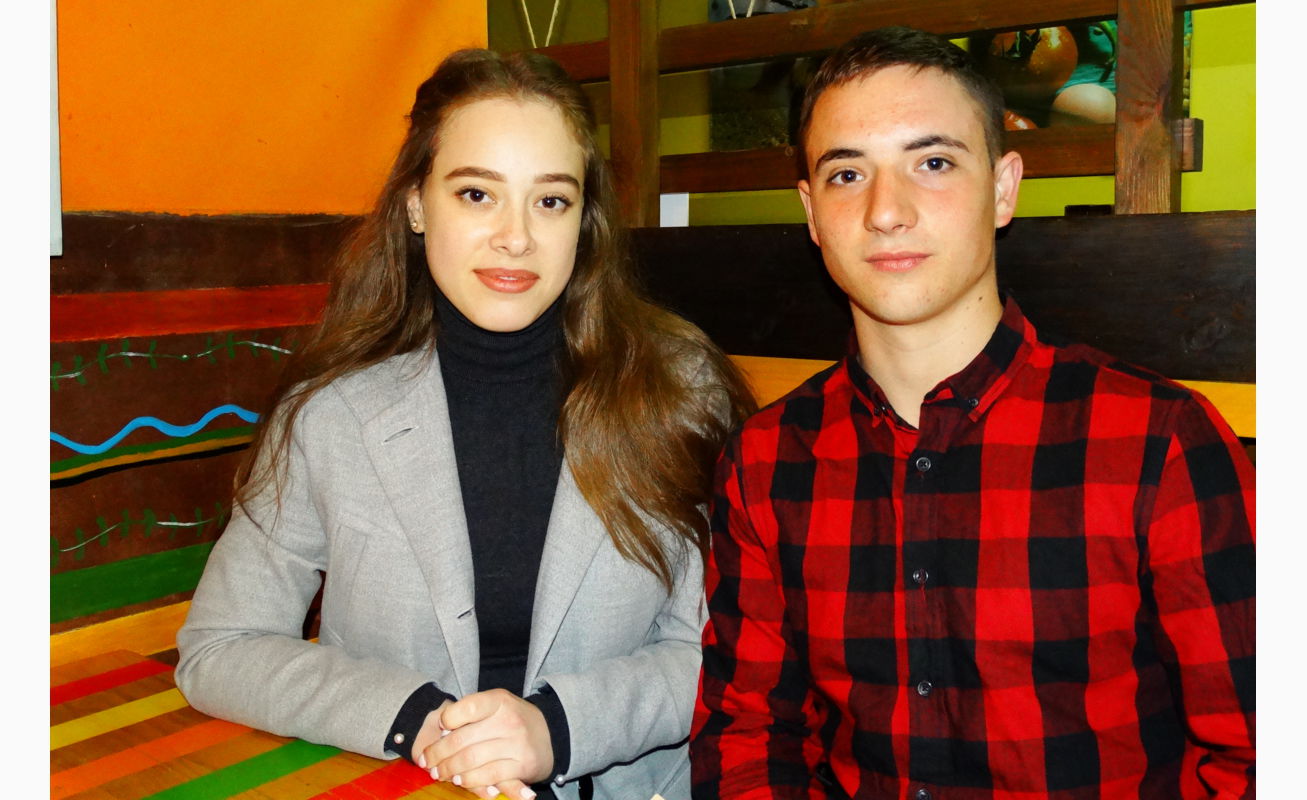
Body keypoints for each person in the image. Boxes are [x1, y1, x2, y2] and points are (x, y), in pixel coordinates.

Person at [691, 26, 1254, 799]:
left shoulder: (1157, 442)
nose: (886, 211)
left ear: (1002, 188)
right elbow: (747, 736)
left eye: (931, 163)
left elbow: (1257, 754)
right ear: (812, 213)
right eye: (847, 173)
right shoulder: (765, 459)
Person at [176, 48, 755, 800]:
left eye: (551, 201)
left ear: (584, 221)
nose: (515, 237)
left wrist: (556, 729)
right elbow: (221, 646)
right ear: (416, 205)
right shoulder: (330, 415)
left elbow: (725, 646)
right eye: (477, 194)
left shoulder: (680, 389)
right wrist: (416, 720)